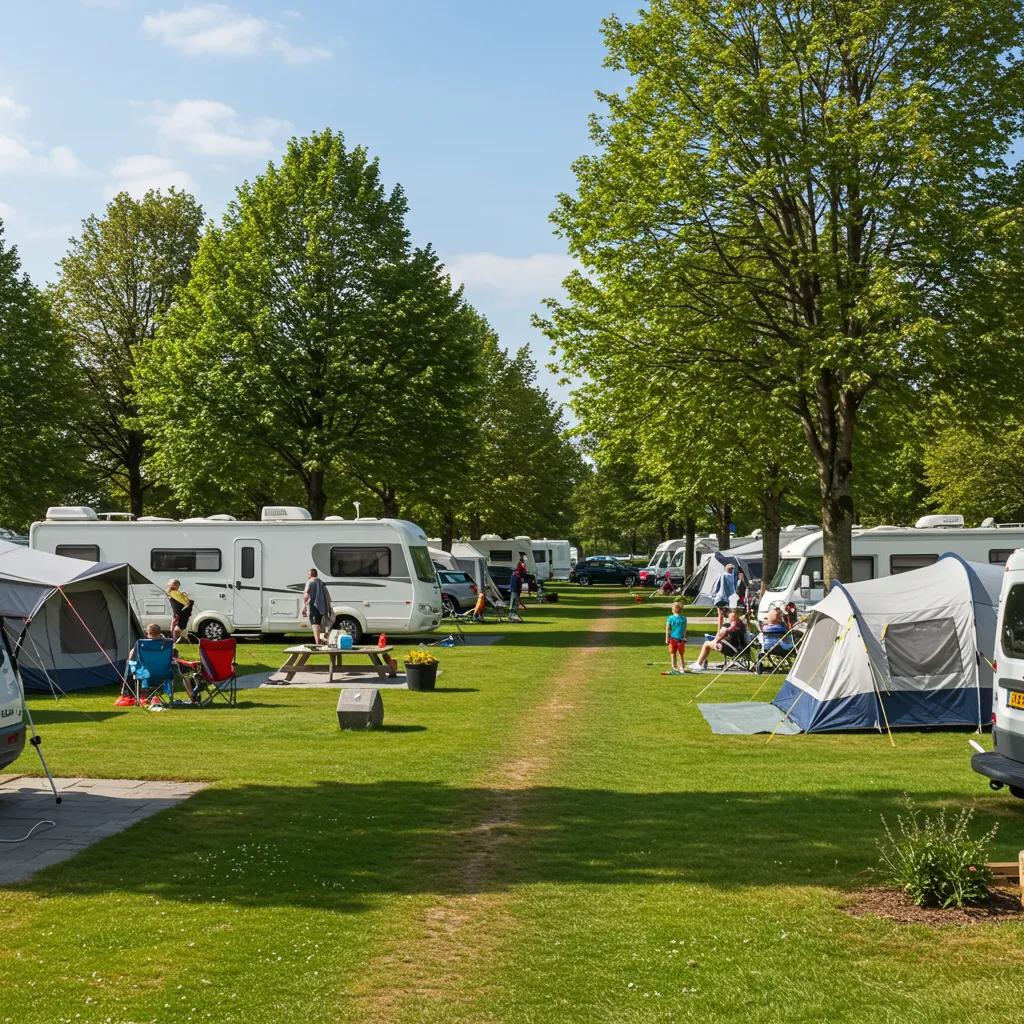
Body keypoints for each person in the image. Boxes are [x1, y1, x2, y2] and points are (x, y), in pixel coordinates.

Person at [302, 568, 331, 646]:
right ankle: (321, 642)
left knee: (315, 625)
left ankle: (317, 643)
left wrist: (304, 607)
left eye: (308, 574)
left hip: (313, 606)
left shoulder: (310, 582)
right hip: (321, 606)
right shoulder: (321, 582)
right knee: (318, 624)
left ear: (310, 574)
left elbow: (306, 596)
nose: (308, 576)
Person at [664, 600, 688, 674]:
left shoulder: (670, 618)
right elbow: (685, 629)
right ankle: (682, 666)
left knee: (672, 653)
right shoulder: (684, 618)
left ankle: (674, 666)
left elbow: (668, 629)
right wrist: (684, 637)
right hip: (681, 639)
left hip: (673, 638)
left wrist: (666, 638)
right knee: (681, 653)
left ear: (672, 610)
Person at [710, 562, 737, 627]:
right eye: (730, 569)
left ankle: (726, 630)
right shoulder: (723, 576)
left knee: (727, 615)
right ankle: (721, 631)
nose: (731, 570)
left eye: (732, 569)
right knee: (723, 615)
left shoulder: (732, 576)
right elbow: (716, 587)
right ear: (726, 569)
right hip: (723, 599)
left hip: (727, 598)